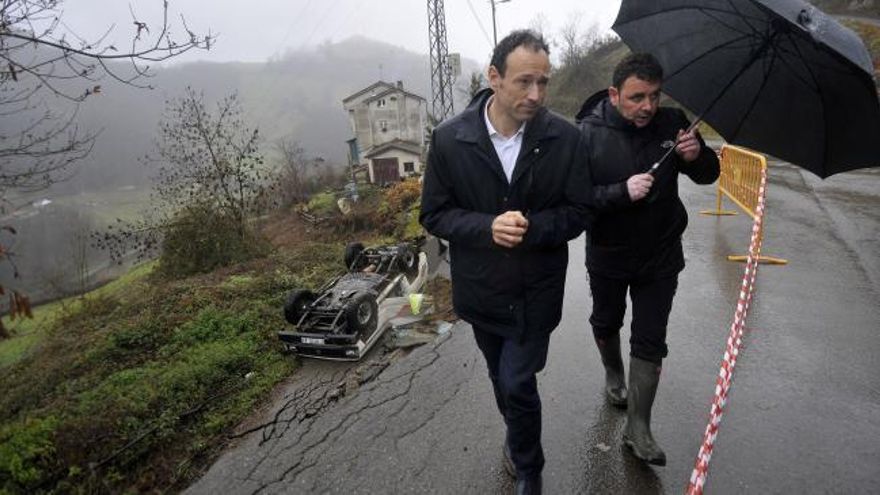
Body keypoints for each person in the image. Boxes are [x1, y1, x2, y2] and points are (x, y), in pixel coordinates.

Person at [420, 30, 591, 495]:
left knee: (517, 380)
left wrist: (533, 228)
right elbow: (434, 214)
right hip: (480, 289)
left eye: (543, 82)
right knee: (501, 377)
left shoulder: (566, 139)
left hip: (536, 290)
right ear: (494, 78)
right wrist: (486, 226)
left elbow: (579, 212)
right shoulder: (451, 140)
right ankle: (518, 440)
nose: (535, 95)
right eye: (524, 82)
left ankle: (529, 470)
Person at [575, 53, 720, 466]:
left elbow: (710, 174)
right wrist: (620, 192)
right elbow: (575, 200)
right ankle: (613, 373)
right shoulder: (587, 134)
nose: (647, 107)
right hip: (608, 252)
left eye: (654, 96)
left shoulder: (673, 123)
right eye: (637, 97)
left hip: (660, 254)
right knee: (606, 321)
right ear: (614, 94)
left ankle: (639, 428)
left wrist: (697, 157)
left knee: (651, 337)